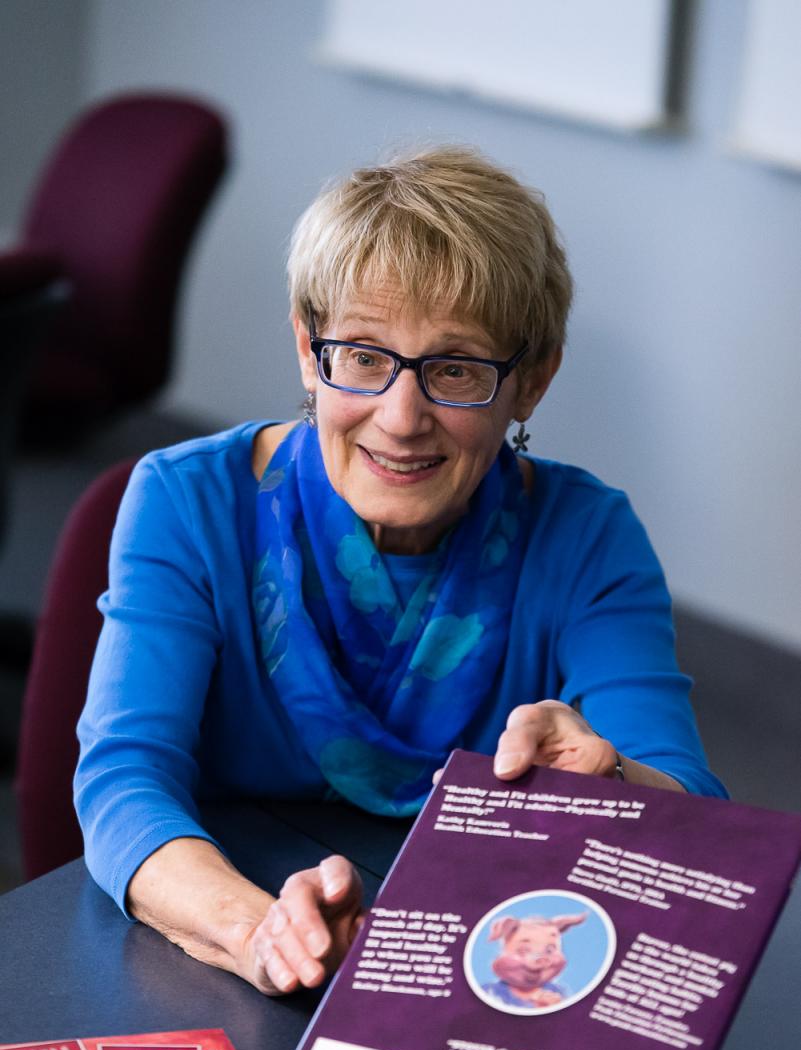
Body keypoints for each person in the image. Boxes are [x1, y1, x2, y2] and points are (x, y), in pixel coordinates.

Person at [75, 146, 725, 999]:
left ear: (529, 382)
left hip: (484, 954)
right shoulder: (185, 500)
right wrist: (263, 932)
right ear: (311, 353)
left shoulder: (587, 535)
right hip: (218, 929)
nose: (401, 417)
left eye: (455, 368)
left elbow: (693, 817)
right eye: (364, 356)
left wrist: (607, 780)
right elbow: (124, 779)